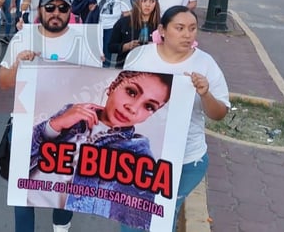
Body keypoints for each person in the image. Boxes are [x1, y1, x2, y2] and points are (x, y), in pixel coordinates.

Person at [0, 0, 103, 232]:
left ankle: (61, 228)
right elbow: (3, 83)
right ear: (40, 9)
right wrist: (17, 66)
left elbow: (98, 87)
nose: (56, 12)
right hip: (26, 126)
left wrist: (95, 70)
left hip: (70, 132)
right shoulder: (24, 36)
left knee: (66, 186)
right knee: (24, 191)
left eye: (62, 7)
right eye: (50, 7)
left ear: (70, 11)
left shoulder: (84, 40)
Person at [123, 6, 230, 232]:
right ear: (162, 30)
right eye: (179, 28)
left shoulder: (205, 63)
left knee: (162, 217)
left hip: (185, 161)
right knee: (132, 215)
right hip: (140, 159)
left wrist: (205, 94)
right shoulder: (139, 57)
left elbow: (219, 113)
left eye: (192, 29)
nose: (187, 34)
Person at [28, 71, 174, 230]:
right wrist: (56, 125)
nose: (133, 108)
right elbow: (22, 155)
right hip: (27, 193)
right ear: (113, 86)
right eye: (131, 92)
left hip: (61, 206)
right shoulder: (72, 112)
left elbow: (144, 211)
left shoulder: (137, 150)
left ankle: (61, 226)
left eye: (149, 106)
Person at [108, 0, 161, 68]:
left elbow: (169, 48)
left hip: (152, 68)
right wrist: (127, 46)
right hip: (126, 67)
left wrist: (155, 47)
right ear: (137, 2)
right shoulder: (123, 22)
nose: (148, 4)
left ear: (156, 4)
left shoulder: (161, 25)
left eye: (152, 1)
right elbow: (111, 47)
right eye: (144, 0)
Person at [90, 0, 132, 67]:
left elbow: (127, 11)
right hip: (96, 25)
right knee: (95, 52)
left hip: (112, 26)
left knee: (107, 53)